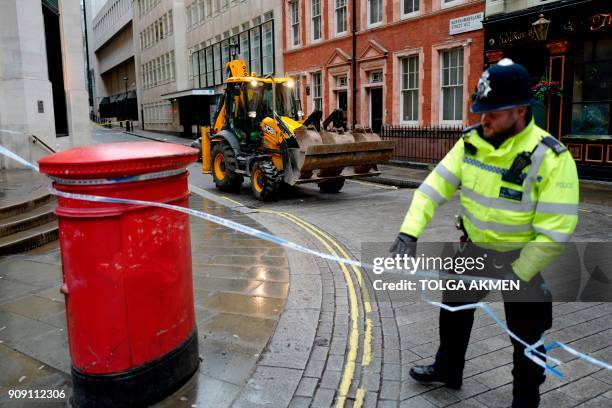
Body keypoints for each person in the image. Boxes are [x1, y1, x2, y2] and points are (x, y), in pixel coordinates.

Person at [390, 58, 579, 408]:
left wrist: (517, 272)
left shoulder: (551, 157)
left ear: (520, 110)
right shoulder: (470, 143)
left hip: (521, 261)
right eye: (481, 110)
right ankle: (448, 369)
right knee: (454, 312)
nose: (483, 118)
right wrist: (409, 233)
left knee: (526, 337)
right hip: (474, 250)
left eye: (492, 111)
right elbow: (432, 189)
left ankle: (525, 400)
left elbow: (556, 231)